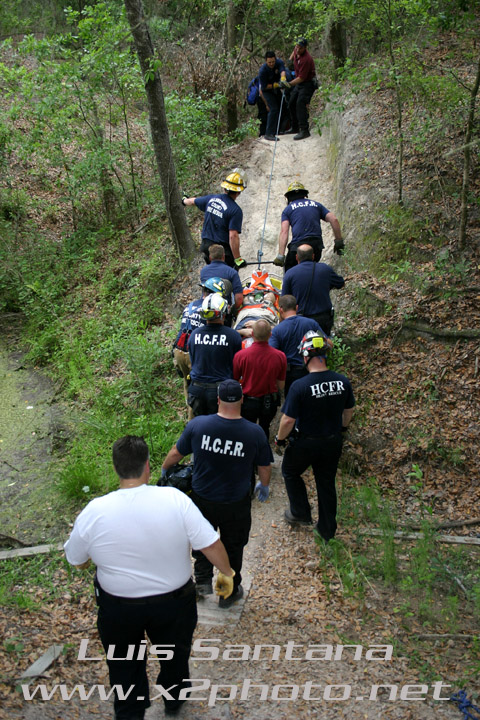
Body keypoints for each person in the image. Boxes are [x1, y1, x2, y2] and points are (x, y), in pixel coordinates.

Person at [64, 435, 234, 719]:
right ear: (147, 466)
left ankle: (131, 710)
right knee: (175, 655)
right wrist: (227, 573)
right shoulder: (175, 500)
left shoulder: (94, 511)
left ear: (116, 468)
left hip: (118, 608)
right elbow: (210, 544)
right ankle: (174, 697)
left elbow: (76, 560)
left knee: (123, 664)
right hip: (174, 604)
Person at [162, 380, 273, 607]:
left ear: (218, 399)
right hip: (236, 501)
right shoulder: (255, 432)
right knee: (233, 546)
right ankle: (226, 591)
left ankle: (202, 581)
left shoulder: (199, 426)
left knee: (203, 539)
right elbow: (264, 466)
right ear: (242, 400)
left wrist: (165, 470)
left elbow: (176, 453)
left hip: (203, 498)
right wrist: (264, 484)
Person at [275, 332, 355, 540]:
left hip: (306, 442)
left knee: (290, 471)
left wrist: (280, 439)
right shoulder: (342, 381)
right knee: (326, 483)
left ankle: (301, 512)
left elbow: (288, 420)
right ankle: (327, 530)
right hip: (332, 440)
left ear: (305, 356)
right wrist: (343, 429)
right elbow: (348, 411)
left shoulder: (300, 386)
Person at [173, 277, 229, 418]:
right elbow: (215, 331)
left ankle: (190, 418)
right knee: (200, 384)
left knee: (187, 385)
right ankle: (198, 420)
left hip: (179, 351)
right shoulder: (209, 309)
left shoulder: (190, 306)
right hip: (193, 354)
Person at [188, 293, 242, 416]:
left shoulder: (194, 334)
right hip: (220, 391)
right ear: (223, 313)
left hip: (197, 390)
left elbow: (193, 360)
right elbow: (237, 365)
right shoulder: (233, 336)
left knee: (200, 427)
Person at [182, 169, 248, 270]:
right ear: (238, 192)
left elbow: (192, 201)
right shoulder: (235, 210)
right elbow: (233, 236)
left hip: (206, 246)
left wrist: (184, 200)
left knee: (214, 275)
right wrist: (238, 259)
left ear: (225, 188)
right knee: (230, 277)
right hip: (222, 251)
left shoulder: (211, 199)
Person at [274, 181, 345, 272]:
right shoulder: (316, 205)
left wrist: (281, 255)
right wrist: (338, 241)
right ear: (305, 194)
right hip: (316, 246)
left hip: (298, 247)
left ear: (288, 197)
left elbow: (284, 232)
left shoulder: (287, 210)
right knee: (311, 272)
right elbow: (334, 219)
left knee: (290, 272)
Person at [233, 319, 287, 439]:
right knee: (264, 428)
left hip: (248, 403)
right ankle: (263, 453)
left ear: (252, 334)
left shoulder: (240, 356)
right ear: (270, 335)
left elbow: (235, 381)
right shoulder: (280, 356)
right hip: (269, 403)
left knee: (247, 430)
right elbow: (281, 385)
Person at [282, 244, 345, 335]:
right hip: (324, 319)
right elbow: (341, 283)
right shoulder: (325, 269)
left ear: (297, 257)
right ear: (313, 256)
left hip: (302, 320)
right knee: (324, 344)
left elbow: (285, 300)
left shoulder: (290, 274)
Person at [269, 294, 325, 396]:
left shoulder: (277, 330)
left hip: (290, 375)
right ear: (297, 307)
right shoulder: (311, 323)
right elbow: (328, 343)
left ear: (280, 310)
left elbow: (271, 354)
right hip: (311, 370)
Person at [281, 38, 317, 140]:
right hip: (299, 84)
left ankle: (304, 130)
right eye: (296, 46)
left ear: (305, 48)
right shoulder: (297, 50)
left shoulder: (306, 59)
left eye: (300, 48)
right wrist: (290, 59)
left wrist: (289, 84)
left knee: (300, 103)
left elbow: (301, 78)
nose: (297, 49)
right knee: (291, 102)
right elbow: (294, 52)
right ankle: (295, 127)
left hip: (306, 84)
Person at [200, 243, 244, 312]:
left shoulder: (203, 271)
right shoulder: (231, 272)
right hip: (223, 312)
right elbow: (239, 298)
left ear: (210, 257)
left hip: (206, 309)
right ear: (223, 256)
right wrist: (233, 310)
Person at [258, 51, 287, 141]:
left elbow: (282, 70)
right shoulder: (262, 71)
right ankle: (269, 133)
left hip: (277, 88)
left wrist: (283, 79)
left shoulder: (279, 62)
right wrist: (276, 85)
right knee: (273, 109)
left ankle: (278, 130)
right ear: (266, 61)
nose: (271, 64)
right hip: (267, 91)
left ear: (275, 59)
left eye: (273, 62)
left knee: (283, 107)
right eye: (269, 62)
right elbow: (264, 86)